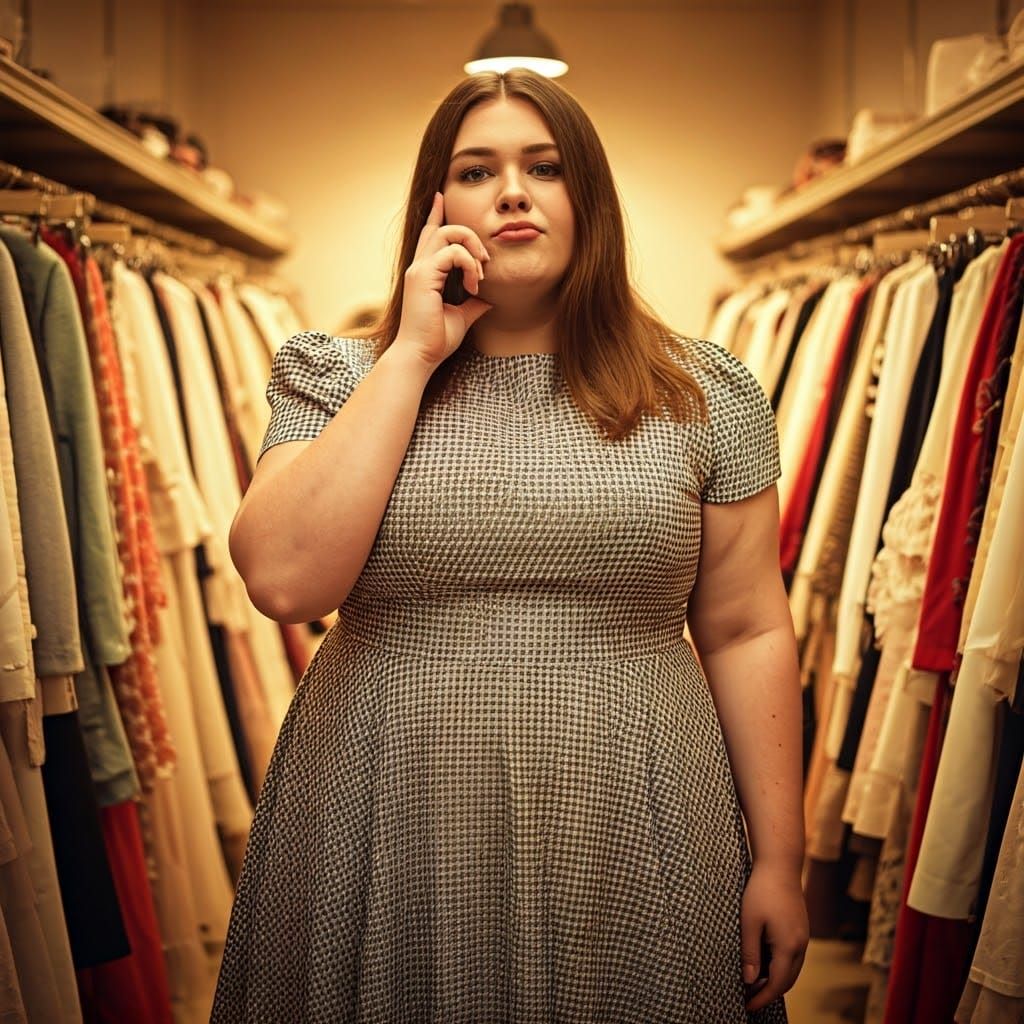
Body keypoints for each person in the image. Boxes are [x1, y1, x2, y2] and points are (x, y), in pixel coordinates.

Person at [211, 69, 808, 1023]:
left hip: (638, 816)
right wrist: (412, 353)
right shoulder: (336, 374)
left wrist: (781, 858)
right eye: (478, 170)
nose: (514, 192)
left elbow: (745, 629)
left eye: (546, 167)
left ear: (592, 202)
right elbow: (283, 578)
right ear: (434, 208)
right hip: (381, 811)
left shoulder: (704, 391)